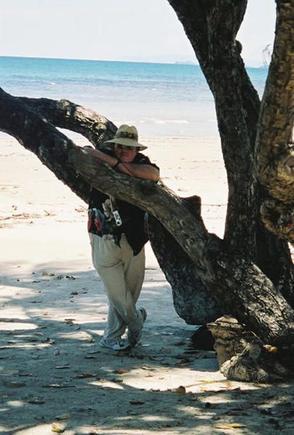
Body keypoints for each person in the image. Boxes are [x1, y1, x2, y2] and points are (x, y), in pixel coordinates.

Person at [87, 124, 160, 351]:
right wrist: (113, 162)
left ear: (136, 149)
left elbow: (154, 174)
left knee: (130, 292)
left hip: (134, 239)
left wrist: (121, 166)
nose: (123, 150)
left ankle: (112, 337)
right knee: (119, 295)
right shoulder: (102, 159)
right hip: (103, 237)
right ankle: (136, 321)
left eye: (128, 147)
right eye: (119, 146)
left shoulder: (143, 163)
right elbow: (84, 153)